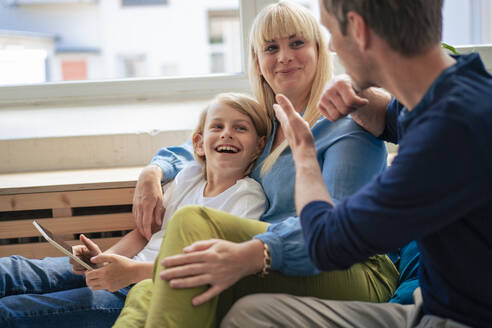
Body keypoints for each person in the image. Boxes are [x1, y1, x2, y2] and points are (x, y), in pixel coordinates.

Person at [115, 1, 399, 327]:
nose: (284, 57)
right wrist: (154, 171)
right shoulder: (266, 123)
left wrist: (255, 252)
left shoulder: (349, 124)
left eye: (297, 43)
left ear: (320, 51)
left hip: (350, 269)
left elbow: (337, 235)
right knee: (148, 290)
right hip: (271, 256)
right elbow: (201, 147)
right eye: (270, 48)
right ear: (258, 62)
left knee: (191, 224)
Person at [221, 0, 492, 327]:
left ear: (359, 31)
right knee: (249, 314)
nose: (332, 45)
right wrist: (357, 100)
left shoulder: (447, 134)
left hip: (460, 319)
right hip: (434, 307)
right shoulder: (459, 88)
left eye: (331, 32)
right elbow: (393, 117)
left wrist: (304, 153)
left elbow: (326, 239)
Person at [0, 92, 268, 328]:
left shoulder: (246, 196)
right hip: (123, 270)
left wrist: (130, 273)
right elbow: (144, 235)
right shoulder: (189, 177)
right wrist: (103, 260)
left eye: (240, 128)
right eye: (217, 126)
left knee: (14, 311)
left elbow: (213, 267)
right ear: (199, 142)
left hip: (150, 292)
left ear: (258, 145)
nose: (227, 133)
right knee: (13, 270)